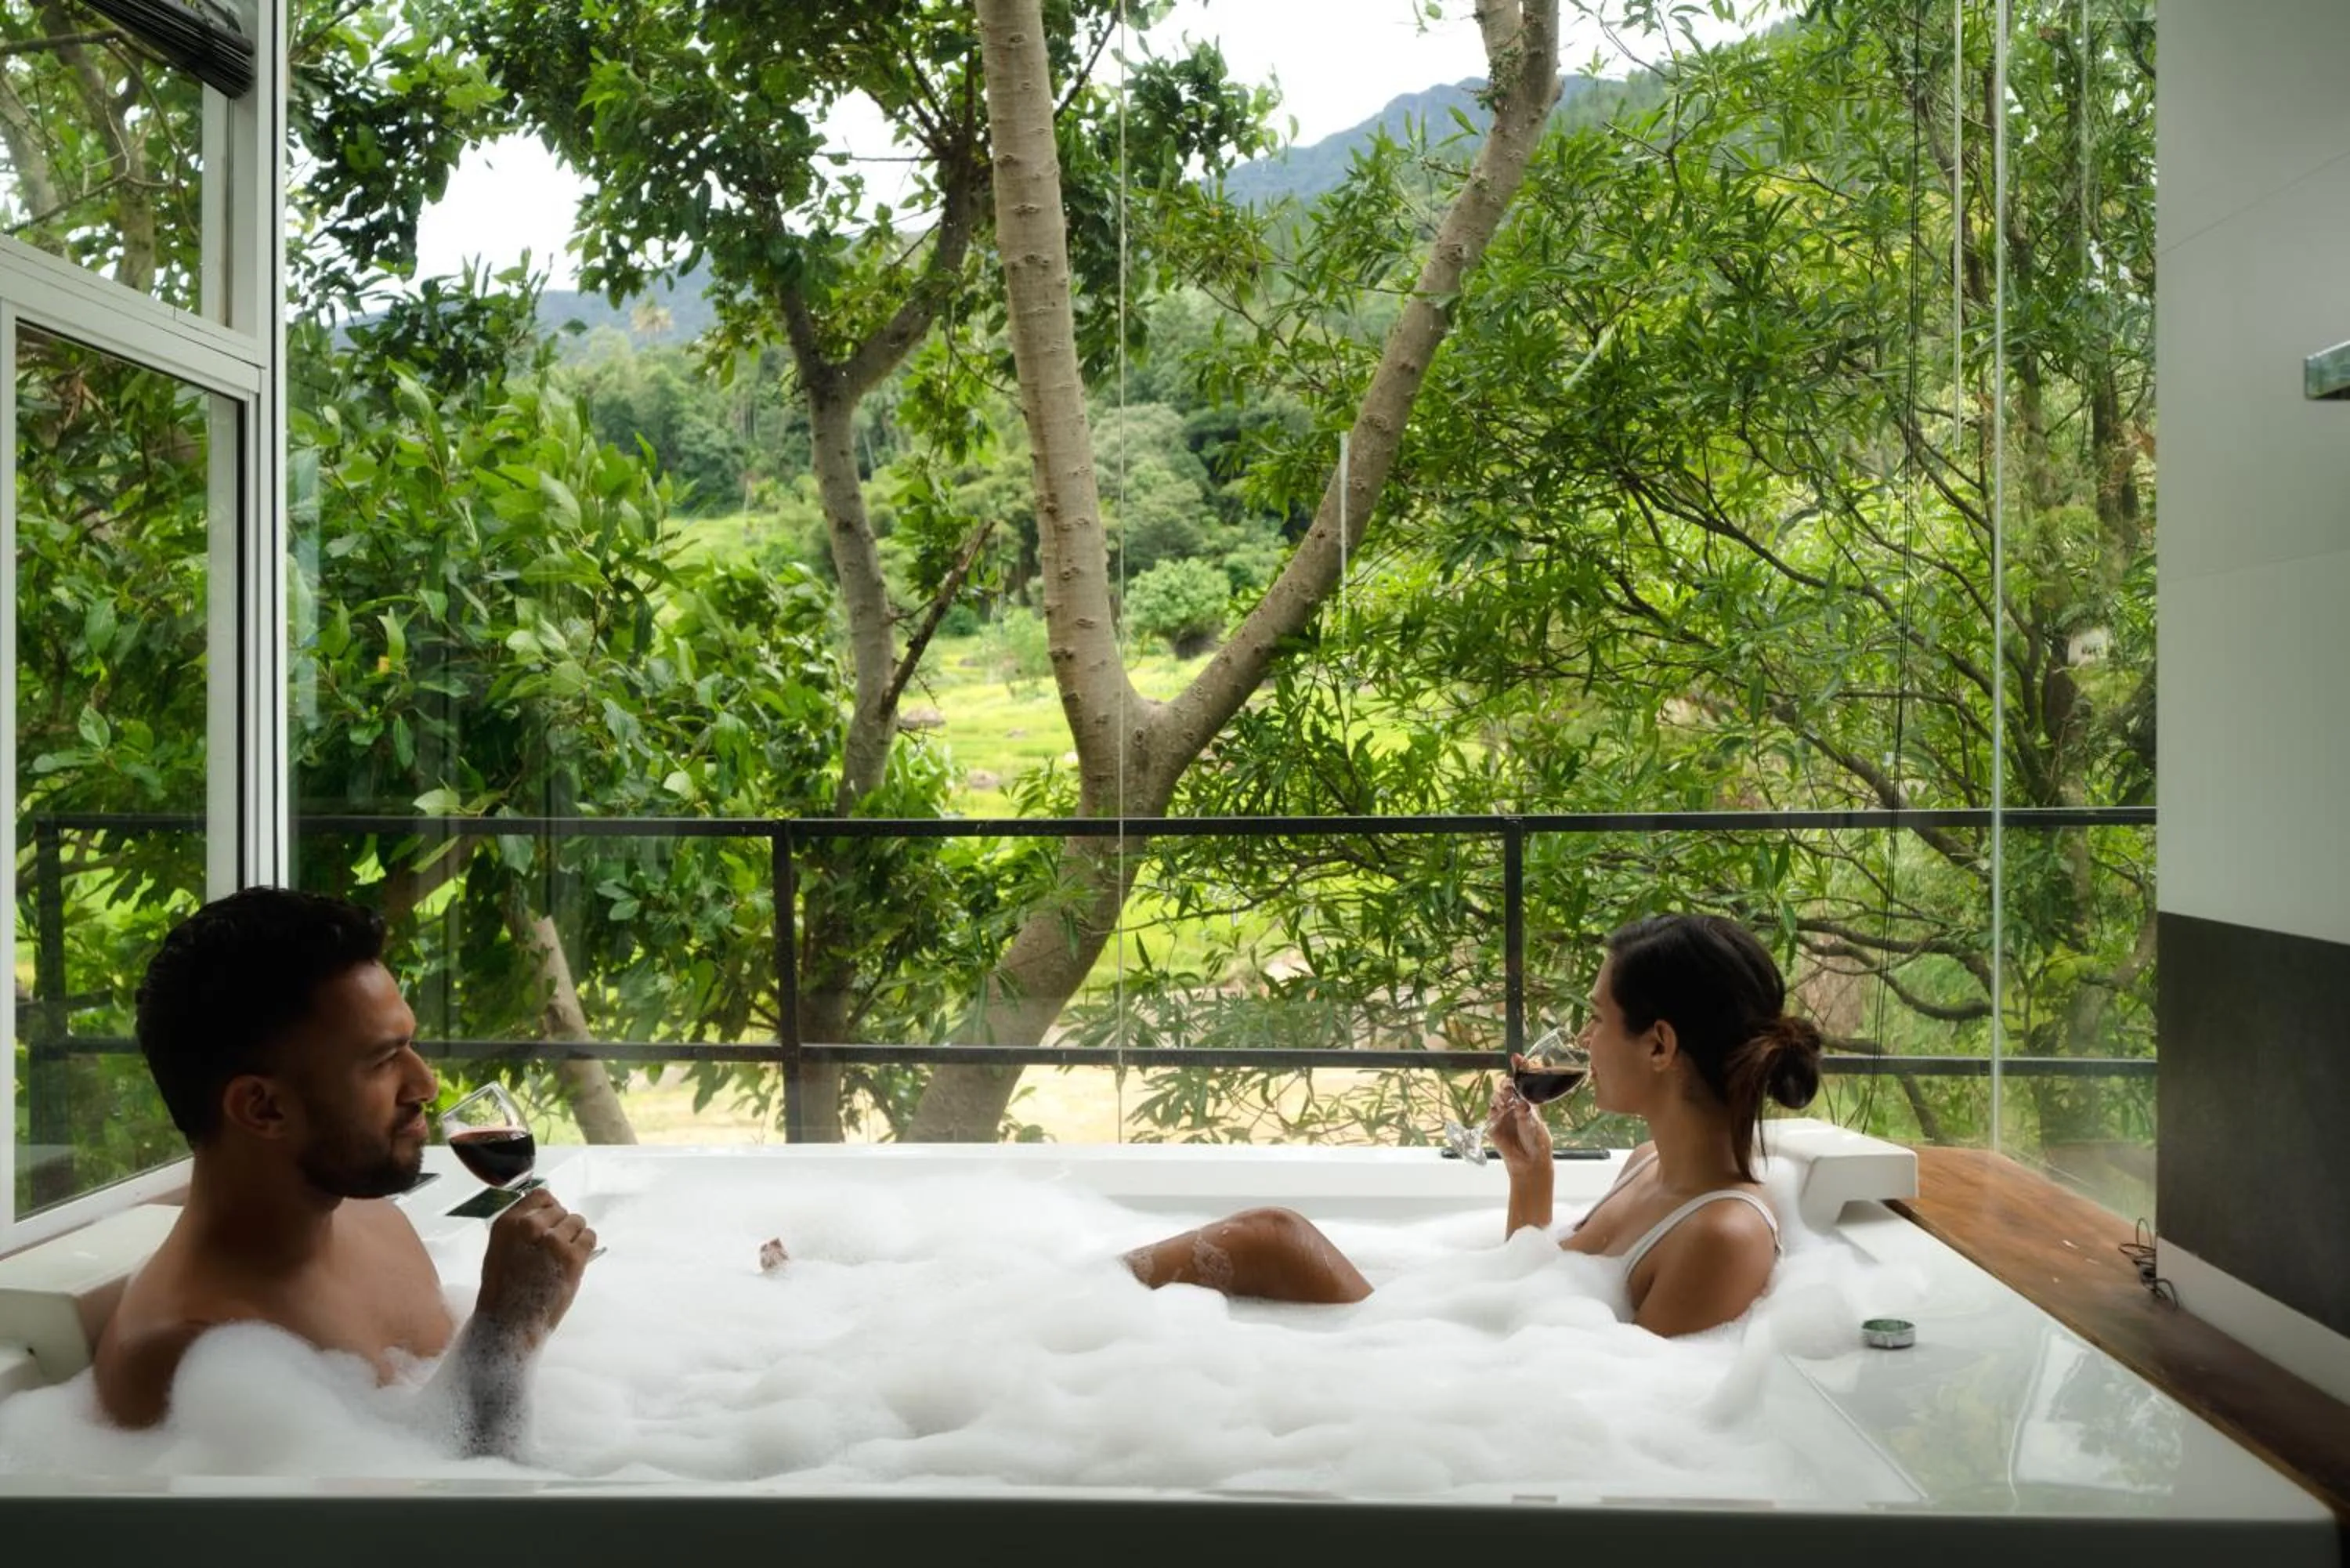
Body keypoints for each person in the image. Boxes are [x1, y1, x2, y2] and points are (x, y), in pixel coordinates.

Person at [1123, 913, 1824, 1336]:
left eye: (1598, 1017)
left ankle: (1073, 1303)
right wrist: (1531, 1175)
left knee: (1271, 1239)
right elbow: (1533, 1281)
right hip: (1457, 1355)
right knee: (1267, 1240)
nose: (1582, 1037)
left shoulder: (1722, 1236)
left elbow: (1623, 1408)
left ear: (1661, 1045)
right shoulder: (1648, 1162)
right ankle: (1073, 1302)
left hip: (1453, 1384)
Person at [92, 887, 598, 1451]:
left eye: (410, 1046)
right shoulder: (189, 1357)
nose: (426, 1085)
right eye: (383, 1061)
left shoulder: (374, 1219)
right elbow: (436, 1529)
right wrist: (507, 1331)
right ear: (263, 1108)